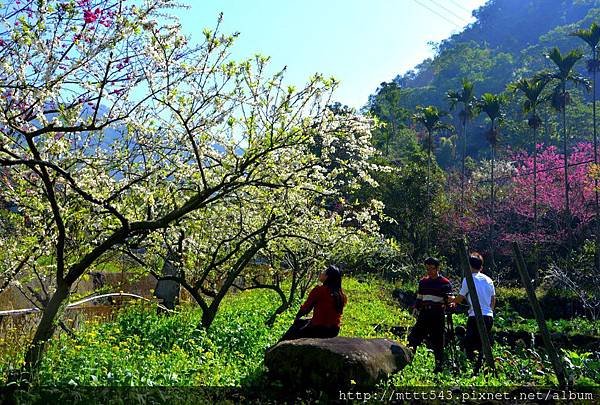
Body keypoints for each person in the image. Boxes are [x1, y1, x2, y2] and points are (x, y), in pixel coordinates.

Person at [407, 257, 453, 373]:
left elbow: (449, 300)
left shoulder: (445, 283)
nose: (429, 272)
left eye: (431, 269)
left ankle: (439, 366)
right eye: (427, 269)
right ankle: (408, 361)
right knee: (414, 337)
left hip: (437, 313)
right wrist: (416, 309)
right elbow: (419, 298)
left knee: (438, 340)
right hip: (425, 312)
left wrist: (449, 305)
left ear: (437, 268)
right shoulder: (423, 282)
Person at [452, 252, 495, 374]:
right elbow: (493, 299)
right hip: (488, 316)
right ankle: (482, 368)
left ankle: (472, 369)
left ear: (469, 266)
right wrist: (490, 311)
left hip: (475, 316)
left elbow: (460, 298)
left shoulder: (468, 279)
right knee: (482, 343)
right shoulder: (489, 280)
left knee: (469, 343)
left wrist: (452, 301)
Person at [279, 265, 348, 341]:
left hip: (319, 329)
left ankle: (280, 346)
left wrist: (297, 317)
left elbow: (306, 308)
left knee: (296, 326)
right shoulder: (341, 295)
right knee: (304, 321)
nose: (321, 273)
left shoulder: (319, 290)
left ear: (327, 277)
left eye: (323, 272)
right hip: (334, 330)